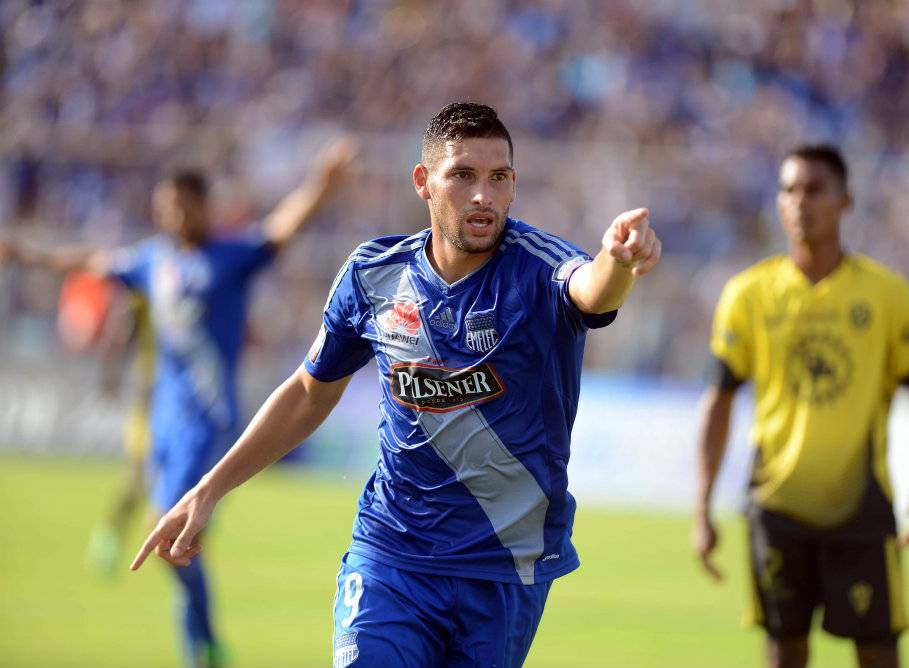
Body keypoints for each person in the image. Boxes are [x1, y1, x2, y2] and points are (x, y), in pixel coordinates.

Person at [130, 102, 661, 668]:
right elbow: (309, 392)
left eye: (498, 177)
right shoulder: (374, 274)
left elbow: (591, 290)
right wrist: (209, 489)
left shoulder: (538, 267)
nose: (482, 195)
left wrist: (618, 261)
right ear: (423, 182)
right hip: (391, 554)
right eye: (463, 175)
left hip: (503, 566)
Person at [5, 137, 357, 668]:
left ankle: (204, 647)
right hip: (164, 419)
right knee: (174, 540)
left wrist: (321, 185)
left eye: (181, 205)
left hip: (209, 420)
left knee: (169, 531)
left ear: (202, 206)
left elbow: (282, 227)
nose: (172, 215)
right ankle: (202, 644)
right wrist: (23, 252)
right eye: (164, 207)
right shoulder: (152, 259)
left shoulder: (229, 257)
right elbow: (89, 261)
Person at [693, 144, 909, 668]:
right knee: (784, 650)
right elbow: (719, 400)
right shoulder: (748, 294)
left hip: (861, 506)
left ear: (845, 200)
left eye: (814, 189)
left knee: (879, 651)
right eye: (788, 190)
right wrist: (703, 506)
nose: (799, 202)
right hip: (776, 504)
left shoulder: (886, 295)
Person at [86, 290, 157, 576]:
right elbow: (123, 326)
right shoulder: (150, 280)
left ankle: (188, 553)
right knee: (137, 481)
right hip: (150, 397)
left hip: (189, 400)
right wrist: (111, 367)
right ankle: (110, 535)